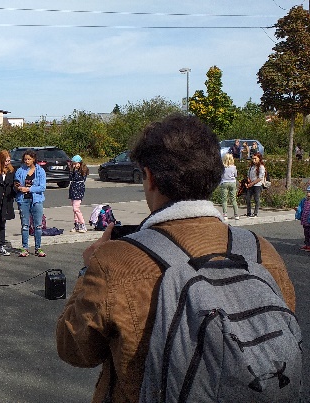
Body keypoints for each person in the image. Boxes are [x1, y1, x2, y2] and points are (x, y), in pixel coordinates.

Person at [56, 114, 296, 402]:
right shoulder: (261, 251)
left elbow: (75, 349)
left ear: (150, 177)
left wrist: (88, 270)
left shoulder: (115, 262)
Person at [14, 149, 46, 257]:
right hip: (23, 200)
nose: (27, 161)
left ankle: (38, 248)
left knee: (38, 225)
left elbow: (42, 187)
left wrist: (29, 189)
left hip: (36, 200)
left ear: (34, 159)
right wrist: (17, 186)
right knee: (25, 225)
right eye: (25, 159)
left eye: (29, 159)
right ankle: (25, 248)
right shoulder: (20, 170)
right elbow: (16, 182)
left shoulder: (40, 171)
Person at [68, 155, 88, 233]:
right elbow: (70, 178)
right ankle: (76, 224)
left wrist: (75, 170)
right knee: (74, 209)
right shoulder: (73, 170)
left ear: (80, 163)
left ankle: (82, 224)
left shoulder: (82, 171)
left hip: (79, 190)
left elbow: (79, 178)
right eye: (73, 164)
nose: (74, 165)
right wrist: (71, 170)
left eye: (76, 164)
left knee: (76, 208)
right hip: (73, 189)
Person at [219, 153, 240, 220]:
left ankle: (225, 215)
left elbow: (221, 175)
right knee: (233, 199)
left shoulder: (222, 167)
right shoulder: (234, 167)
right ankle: (236, 214)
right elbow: (236, 175)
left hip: (224, 182)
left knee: (224, 200)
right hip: (232, 183)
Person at [244, 152, 266, 217]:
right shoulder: (251, 167)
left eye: (255, 158)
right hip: (250, 184)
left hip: (257, 185)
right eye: (253, 159)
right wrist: (248, 180)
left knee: (256, 199)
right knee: (248, 198)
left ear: (259, 159)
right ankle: (248, 212)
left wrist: (252, 183)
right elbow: (248, 174)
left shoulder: (261, 167)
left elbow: (260, 177)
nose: (254, 160)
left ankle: (255, 213)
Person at [296, 185, 310, 251]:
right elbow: (300, 208)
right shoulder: (304, 201)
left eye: (309, 192)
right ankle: (307, 245)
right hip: (305, 220)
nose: (308, 194)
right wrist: (298, 212)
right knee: (306, 233)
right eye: (307, 192)